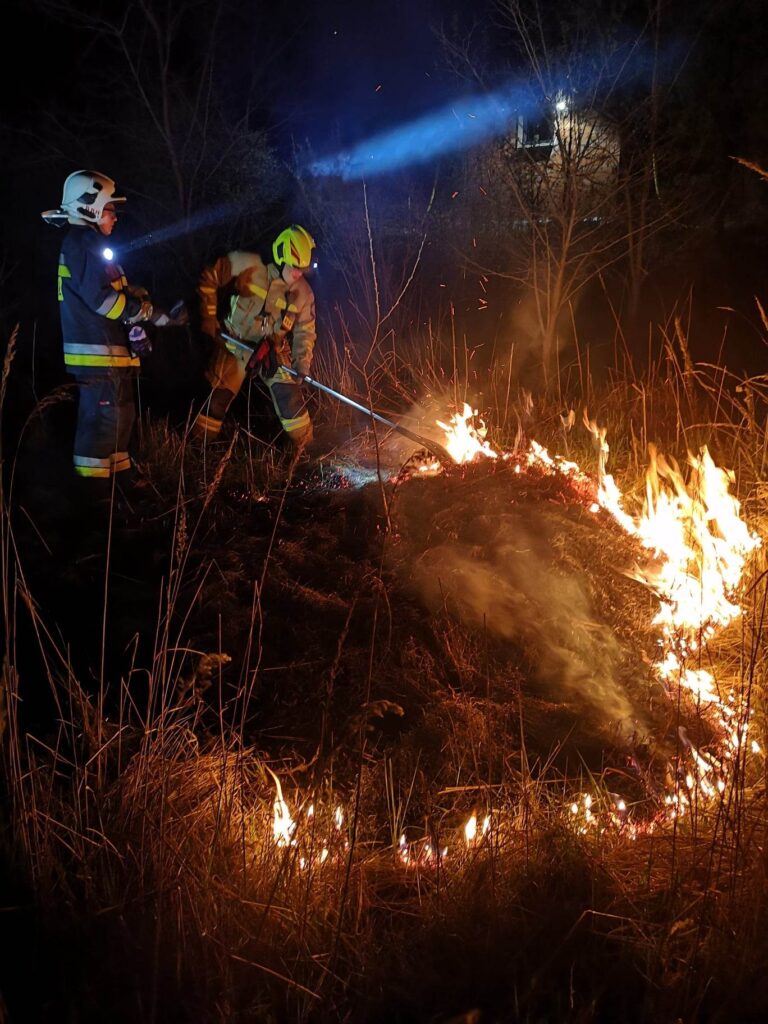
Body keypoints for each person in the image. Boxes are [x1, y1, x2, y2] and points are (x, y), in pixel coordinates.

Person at [42, 169, 185, 494]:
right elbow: (103, 300)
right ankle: (93, 499)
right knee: (101, 423)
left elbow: (118, 294)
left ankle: (120, 486)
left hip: (111, 353)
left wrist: (151, 312)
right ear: (89, 207)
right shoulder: (82, 243)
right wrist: (142, 312)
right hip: (97, 353)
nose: (115, 217)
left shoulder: (90, 246)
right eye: (110, 209)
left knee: (121, 419)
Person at [193, 224, 317, 449]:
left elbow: (305, 330)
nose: (298, 273)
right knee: (217, 400)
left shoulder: (304, 293)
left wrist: (302, 363)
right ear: (280, 256)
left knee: (291, 402)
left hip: (272, 351)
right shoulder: (249, 265)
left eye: (303, 269)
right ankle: (197, 453)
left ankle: (308, 451)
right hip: (234, 343)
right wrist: (208, 316)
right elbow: (210, 275)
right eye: (294, 267)